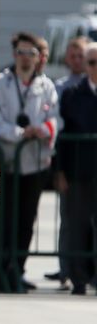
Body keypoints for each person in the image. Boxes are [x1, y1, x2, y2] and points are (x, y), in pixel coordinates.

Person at [0, 32, 59, 292]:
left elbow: (56, 119)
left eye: (30, 54)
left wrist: (42, 130)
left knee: (26, 219)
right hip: (8, 162)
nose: (25, 58)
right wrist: (20, 134)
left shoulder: (46, 86)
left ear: (38, 58)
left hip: (34, 163)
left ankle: (18, 268)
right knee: (2, 218)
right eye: (21, 53)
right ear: (14, 55)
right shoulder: (1, 82)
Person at [56, 44, 97, 294]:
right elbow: (62, 136)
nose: (94, 68)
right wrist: (59, 172)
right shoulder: (72, 94)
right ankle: (78, 278)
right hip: (78, 172)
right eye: (91, 63)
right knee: (77, 226)